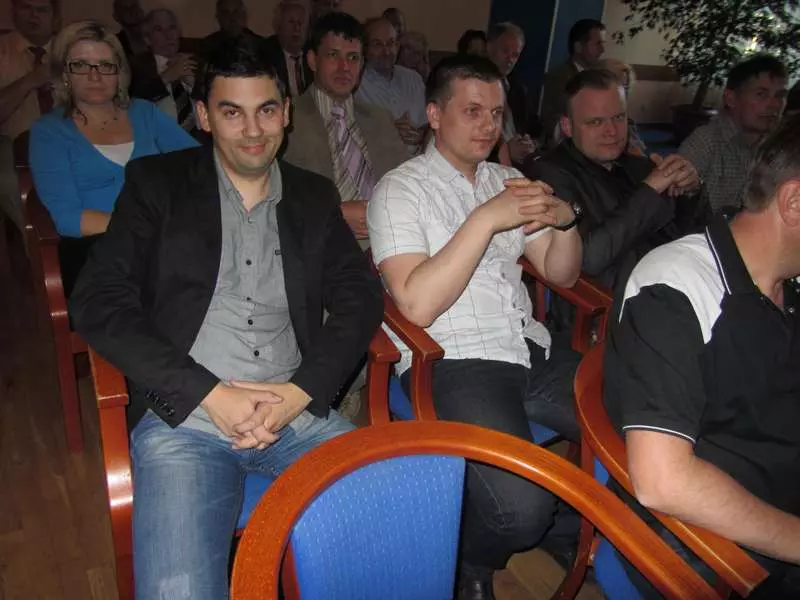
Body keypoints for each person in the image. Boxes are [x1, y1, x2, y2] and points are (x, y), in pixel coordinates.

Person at [68, 37, 382, 600]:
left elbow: (360, 297)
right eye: (232, 112)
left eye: (267, 110)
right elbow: (97, 300)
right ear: (205, 116)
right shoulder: (157, 185)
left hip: (294, 411)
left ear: (286, 113)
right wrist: (209, 393)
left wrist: (299, 393)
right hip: (186, 418)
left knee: (389, 545)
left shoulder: (313, 195)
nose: (253, 130)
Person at [368, 54, 583, 600]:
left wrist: (567, 221)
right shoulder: (400, 189)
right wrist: (486, 219)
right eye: (472, 111)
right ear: (434, 115)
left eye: (496, 113)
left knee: (630, 422)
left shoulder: (509, 180)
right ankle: (470, 558)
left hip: (528, 346)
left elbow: (561, 272)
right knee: (521, 511)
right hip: (454, 358)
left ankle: (571, 530)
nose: (489, 125)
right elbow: (416, 306)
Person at [605, 114, 800, 599]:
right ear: (794, 202)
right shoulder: (677, 288)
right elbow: (664, 481)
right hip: (717, 538)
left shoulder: (786, 282)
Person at [28, 21, 196, 296]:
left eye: (106, 65)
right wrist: (148, 227)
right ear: (65, 74)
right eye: (81, 65)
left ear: (120, 73)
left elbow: (197, 164)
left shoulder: (144, 113)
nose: (95, 76)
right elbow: (68, 218)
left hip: (164, 244)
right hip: (96, 250)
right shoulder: (49, 132)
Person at [529, 69, 701, 294]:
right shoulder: (549, 174)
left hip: (676, 283)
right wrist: (649, 190)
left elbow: (689, 232)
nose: (611, 131)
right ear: (567, 126)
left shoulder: (640, 166)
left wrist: (690, 189)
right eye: (595, 122)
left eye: (619, 117)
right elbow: (587, 258)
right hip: (610, 303)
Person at [283, 12, 406, 245]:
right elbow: (272, 195)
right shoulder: (287, 118)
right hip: (319, 246)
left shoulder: (380, 119)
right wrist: (332, 216)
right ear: (312, 61)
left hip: (388, 245)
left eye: (353, 58)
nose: (344, 67)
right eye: (333, 55)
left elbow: (406, 183)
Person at [679, 54, 788, 215]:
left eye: (780, 96)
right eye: (761, 94)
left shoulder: (782, 146)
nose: (774, 104)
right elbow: (675, 210)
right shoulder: (704, 143)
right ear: (730, 99)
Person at [355, 16, 427, 153]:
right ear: (365, 48)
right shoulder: (356, 84)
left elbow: (428, 126)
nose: (386, 52)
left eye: (391, 43)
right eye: (377, 44)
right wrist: (391, 132)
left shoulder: (413, 79)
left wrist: (419, 137)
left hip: (418, 160)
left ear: (397, 46)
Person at [129, 9, 198, 132]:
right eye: (159, 29)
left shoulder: (196, 62)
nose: (168, 35)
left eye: (172, 28)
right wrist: (166, 77)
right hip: (157, 140)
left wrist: (194, 85)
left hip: (199, 139)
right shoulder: (135, 67)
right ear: (147, 39)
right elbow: (132, 104)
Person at [0, 0, 60, 142]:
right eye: (26, 8)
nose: (34, 15)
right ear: (13, 12)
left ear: (55, 17)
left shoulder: (74, 52)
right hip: (11, 152)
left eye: (42, 10)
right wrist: (31, 81)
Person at [540, 19, 606, 146]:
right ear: (578, 47)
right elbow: (550, 122)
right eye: (598, 44)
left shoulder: (602, 77)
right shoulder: (558, 78)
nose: (602, 50)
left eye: (603, 43)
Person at [485, 22, 539, 167]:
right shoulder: (473, 85)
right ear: (489, 47)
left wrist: (529, 142)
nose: (510, 59)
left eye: (515, 55)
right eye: (505, 51)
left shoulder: (517, 87)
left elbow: (534, 126)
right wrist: (505, 151)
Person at [263, 0, 312, 98]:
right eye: (291, 22)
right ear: (278, 27)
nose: (297, 29)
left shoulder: (315, 52)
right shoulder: (265, 54)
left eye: (301, 23)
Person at [598, 57, 646, 156]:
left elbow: (637, 150)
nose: (623, 95)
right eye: (619, 88)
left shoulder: (627, 120)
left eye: (626, 88)